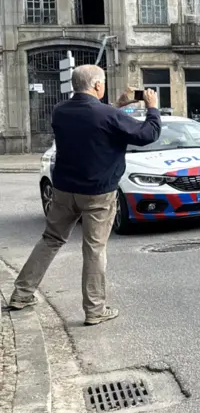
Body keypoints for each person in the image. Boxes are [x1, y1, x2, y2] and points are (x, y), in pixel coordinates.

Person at [8, 66, 161, 325]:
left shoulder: (60, 111)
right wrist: (152, 108)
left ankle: (21, 295)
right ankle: (94, 310)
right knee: (94, 249)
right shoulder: (108, 115)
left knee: (51, 239)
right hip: (98, 193)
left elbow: (94, 118)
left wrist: (117, 105)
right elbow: (148, 134)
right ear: (98, 85)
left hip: (64, 190)